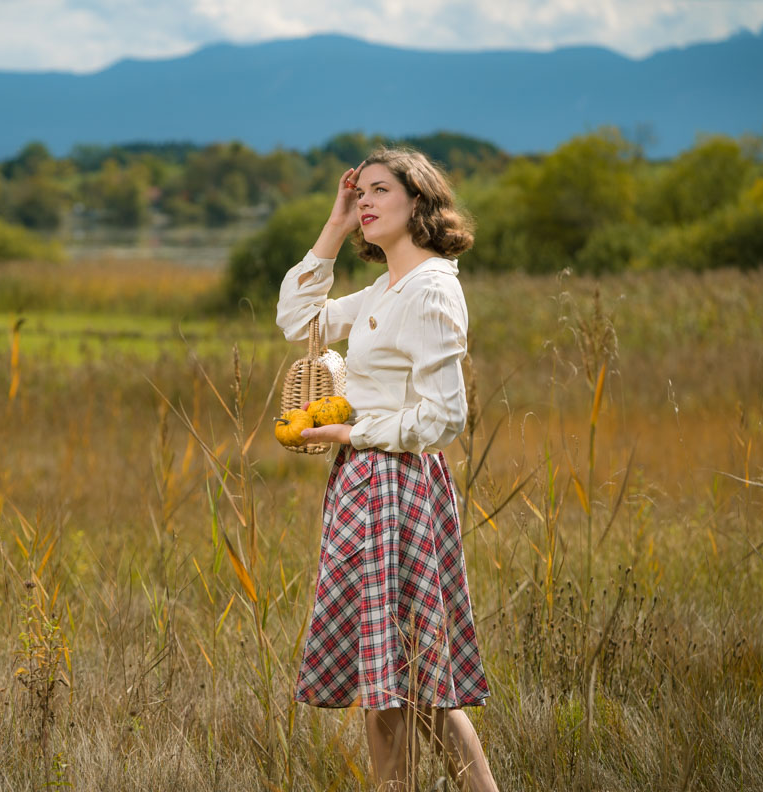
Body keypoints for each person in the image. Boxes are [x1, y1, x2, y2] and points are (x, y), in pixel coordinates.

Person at [276, 147, 499, 792]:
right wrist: (335, 226)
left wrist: (356, 430)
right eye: (360, 192)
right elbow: (302, 323)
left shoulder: (431, 290)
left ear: (418, 202)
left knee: (403, 681)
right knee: (394, 677)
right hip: (364, 482)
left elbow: (445, 417)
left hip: (396, 485)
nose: (366, 201)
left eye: (379, 192)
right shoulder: (388, 286)